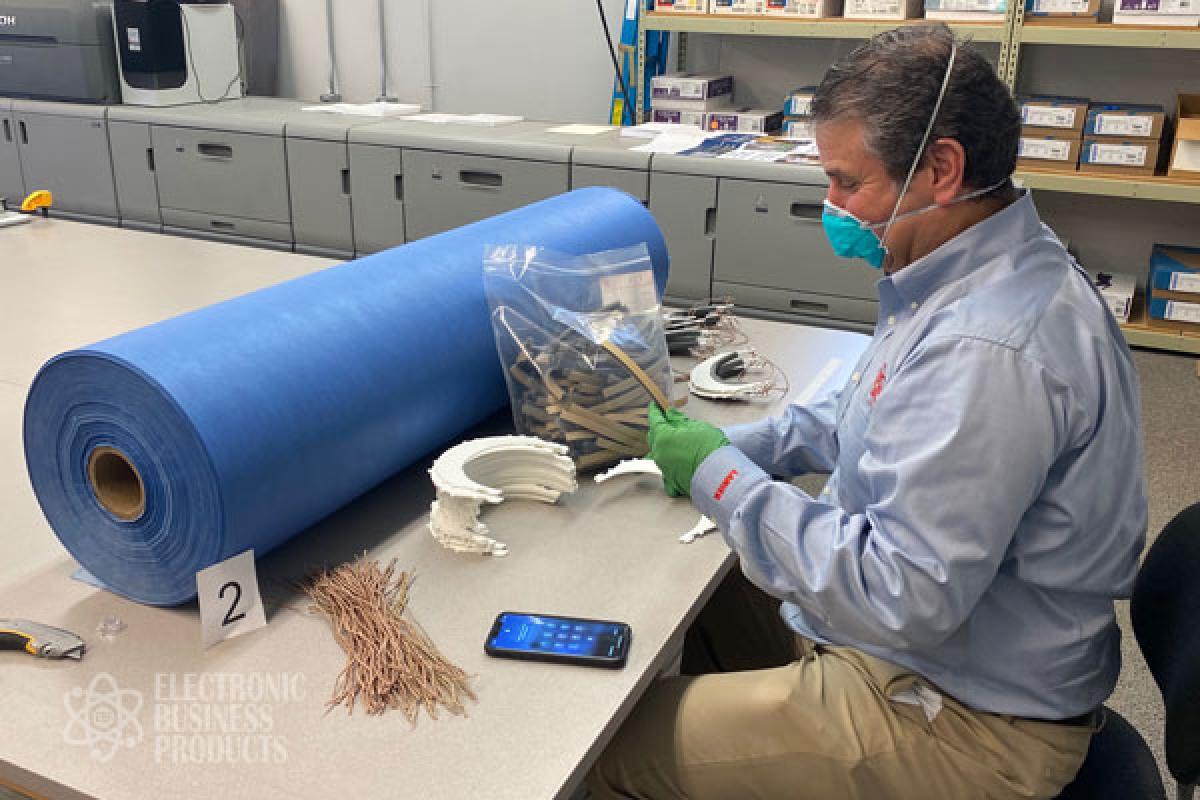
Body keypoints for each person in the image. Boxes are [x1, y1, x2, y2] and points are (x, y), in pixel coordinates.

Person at [587, 23, 1147, 800]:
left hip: (968, 723)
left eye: (849, 182)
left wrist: (719, 479)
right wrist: (745, 443)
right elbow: (870, 412)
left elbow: (899, 594)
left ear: (942, 169)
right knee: (704, 608)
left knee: (604, 751)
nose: (833, 206)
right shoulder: (980, 263)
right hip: (945, 652)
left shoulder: (989, 348)